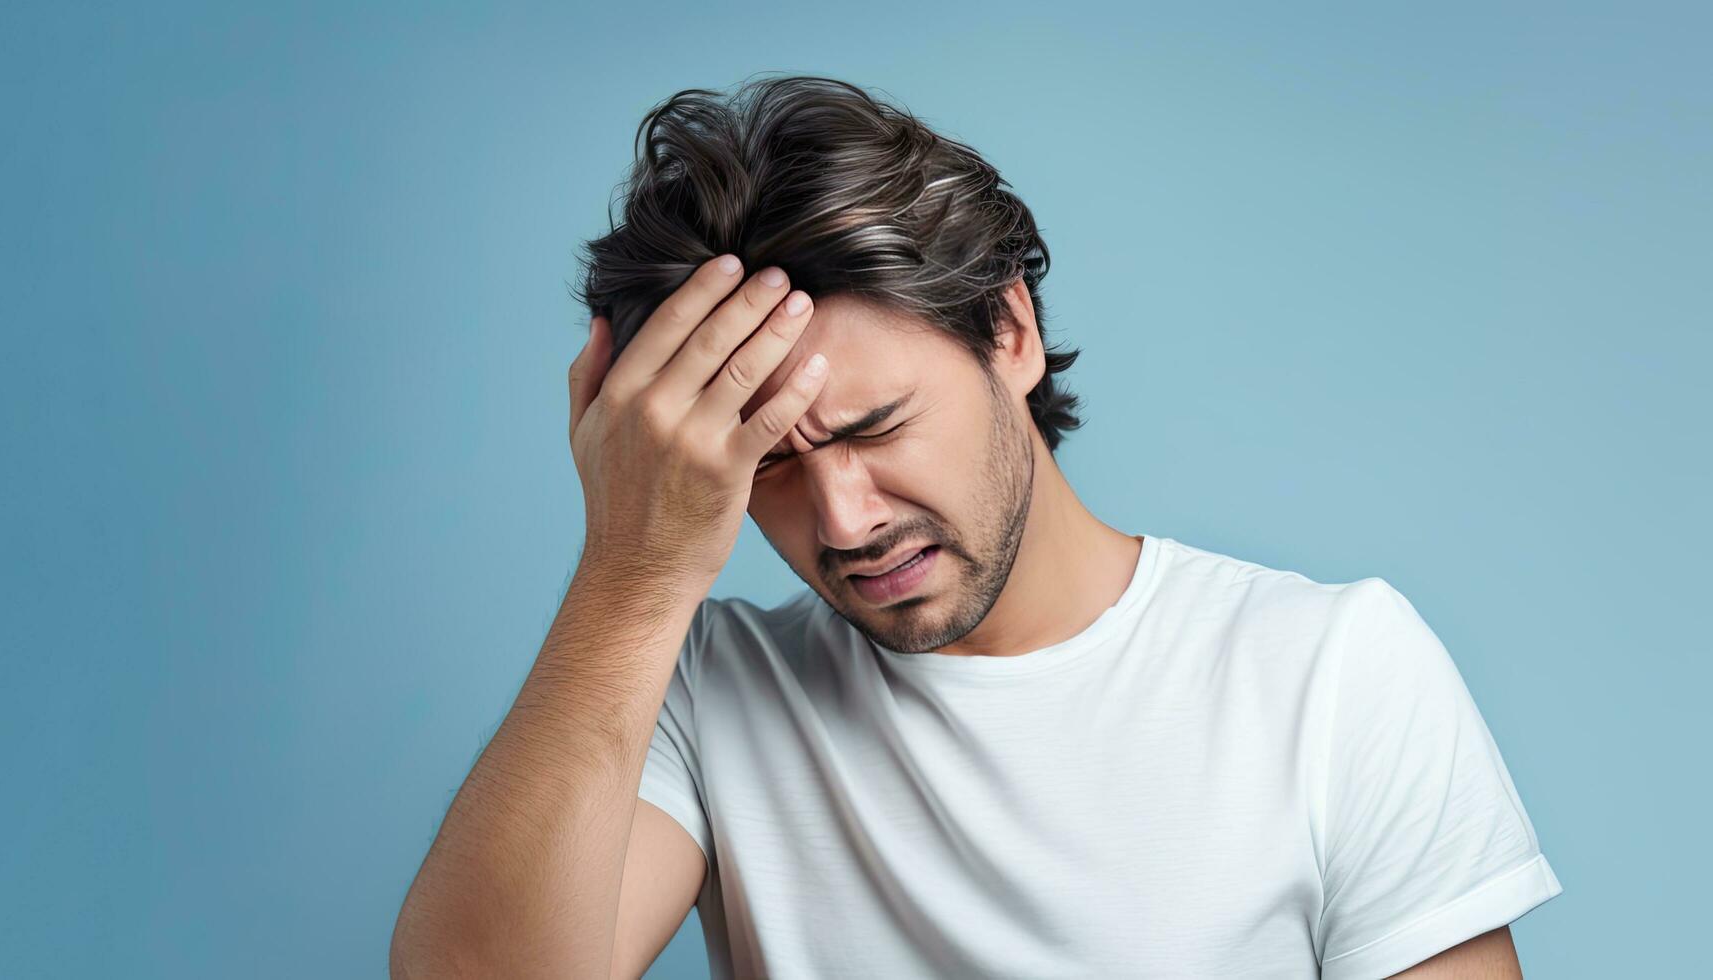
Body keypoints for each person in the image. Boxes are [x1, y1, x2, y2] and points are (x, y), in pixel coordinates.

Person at [390, 74, 1560, 979]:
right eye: (766, 464)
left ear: (1006, 330)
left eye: (874, 424)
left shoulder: (1332, 671)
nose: (842, 518)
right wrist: (627, 575)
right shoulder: (701, 692)